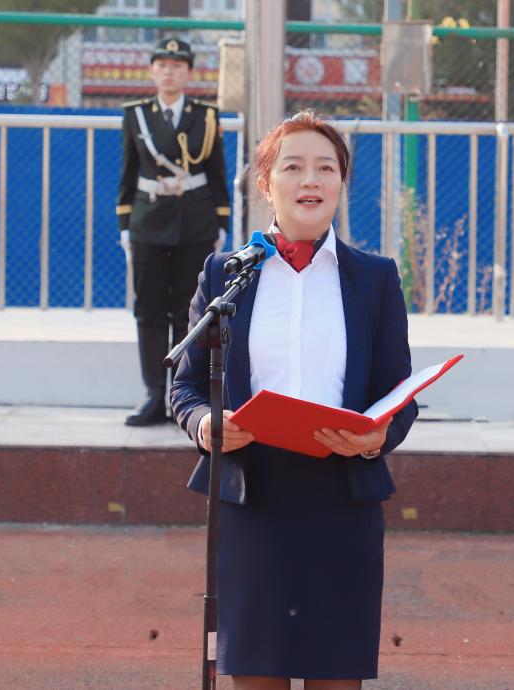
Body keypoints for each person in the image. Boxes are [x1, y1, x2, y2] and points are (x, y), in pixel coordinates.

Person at [171, 111, 418, 689]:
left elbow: (399, 393)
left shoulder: (375, 278)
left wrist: (379, 434)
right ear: (266, 183)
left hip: (343, 499)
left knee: (336, 676)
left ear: (340, 184)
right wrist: (206, 423)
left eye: (326, 168)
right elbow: (184, 386)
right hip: (251, 497)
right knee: (256, 675)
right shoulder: (225, 275)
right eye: (293, 167)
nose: (311, 179)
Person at [117, 37, 231, 426]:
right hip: (148, 221)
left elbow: (216, 172)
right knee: (149, 310)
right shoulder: (136, 115)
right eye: (162, 65)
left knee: (190, 312)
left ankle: (184, 396)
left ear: (188, 72)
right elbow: (128, 172)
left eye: (177, 66)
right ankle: (153, 395)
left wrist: (221, 221)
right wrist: (125, 224)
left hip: (194, 222)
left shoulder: (206, 115)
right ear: (152, 71)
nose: (169, 72)